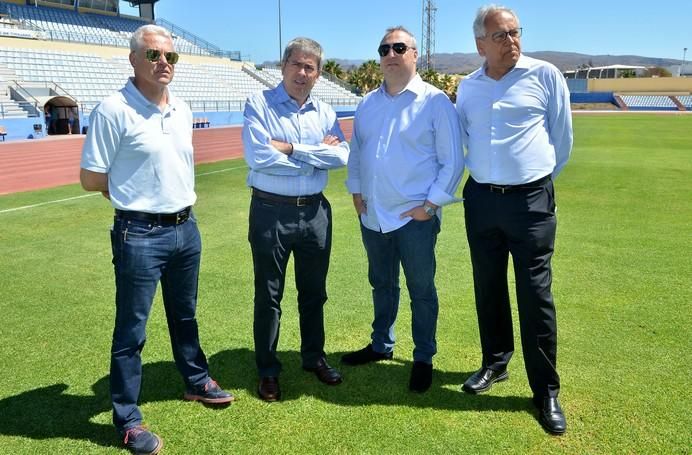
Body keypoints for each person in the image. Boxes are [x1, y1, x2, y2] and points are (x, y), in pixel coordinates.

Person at [80, 24, 234, 455]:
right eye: (153, 55)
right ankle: (127, 419)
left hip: (187, 227)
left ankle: (196, 380)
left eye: (170, 56)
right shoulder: (112, 109)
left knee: (185, 315)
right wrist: (129, 193)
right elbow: (91, 177)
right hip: (140, 232)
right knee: (132, 329)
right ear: (133, 60)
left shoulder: (181, 108)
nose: (163, 62)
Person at [455, 5, 573, 435]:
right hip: (482, 199)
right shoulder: (467, 87)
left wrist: (534, 185)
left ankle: (546, 391)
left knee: (535, 295)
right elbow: (464, 140)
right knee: (487, 287)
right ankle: (495, 363)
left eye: (515, 32)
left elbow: (561, 141)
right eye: (500, 35)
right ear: (480, 44)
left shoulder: (545, 76)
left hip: (530, 202)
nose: (511, 41)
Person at [342, 26, 464, 393]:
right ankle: (381, 343)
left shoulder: (435, 101)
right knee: (381, 284)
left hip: (415, 220)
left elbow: (454, 161)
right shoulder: (367, 103)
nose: (390, 54)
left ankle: (424, 356)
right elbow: (357, 154)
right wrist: (356, 193)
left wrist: (431, 206)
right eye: (384, 49)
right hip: (373, 215)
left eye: (399, 47)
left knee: (421, 289)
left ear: (414, 54)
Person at [242, 37, 349, 402]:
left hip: (315, 212)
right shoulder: (259, 103)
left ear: (318, 74)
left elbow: (341, 158)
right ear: (283, 65)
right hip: (271, 211)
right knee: (269, 295)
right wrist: (317, 153)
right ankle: (268, 369)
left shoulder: (325, 112)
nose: (302, 73)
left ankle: (313, 357)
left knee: (314, 293)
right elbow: (260, 158)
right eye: (297, 65)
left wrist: (290, 148)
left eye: (310, 67)